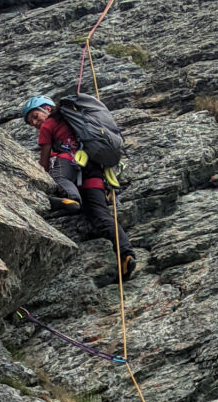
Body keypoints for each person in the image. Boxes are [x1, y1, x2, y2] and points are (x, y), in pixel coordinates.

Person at [22, 96, 136, 280]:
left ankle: (71, 198)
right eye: (31, 122)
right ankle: (126, 254)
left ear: (47, 109)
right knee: (101, 216)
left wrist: (42, 181)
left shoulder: (48, 125)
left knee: (58, 176)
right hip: (93, 169)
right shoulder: (78, 120)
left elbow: (44, 158)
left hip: (69, 161)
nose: (35, 123)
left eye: (35, 116)